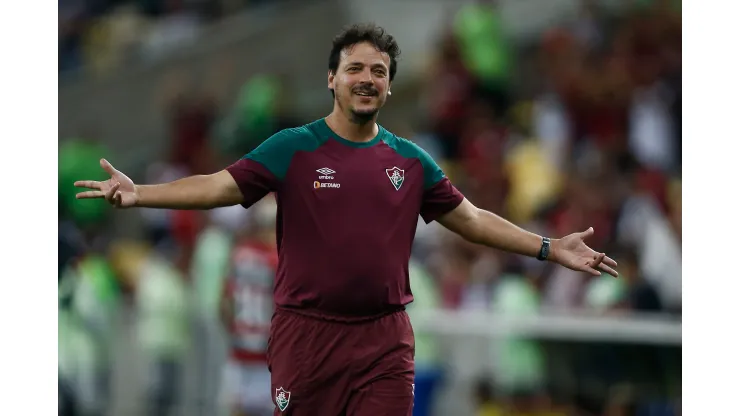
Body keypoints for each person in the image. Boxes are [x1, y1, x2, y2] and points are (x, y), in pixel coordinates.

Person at [74, 23, 618, 416]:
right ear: (331, 78)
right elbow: (218, 185)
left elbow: (471, 219)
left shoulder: (409, 161)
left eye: (379, 72)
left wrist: (548, 247)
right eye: (355, 68)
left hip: (383, 340)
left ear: (387, 85)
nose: (367, 78)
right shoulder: (295, 148)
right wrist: (140, 193)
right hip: (306, 337)